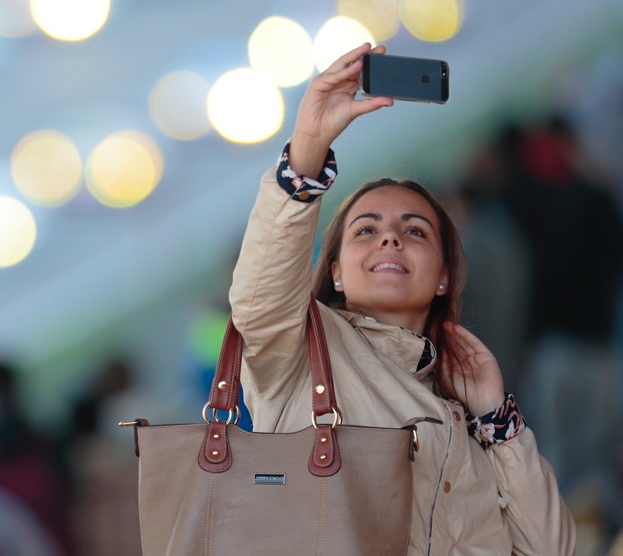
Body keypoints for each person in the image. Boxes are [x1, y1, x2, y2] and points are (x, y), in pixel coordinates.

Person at [228, 42, 576, 553]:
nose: (389, 239)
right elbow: (259, 298)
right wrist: (307, 146)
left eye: (415, 232)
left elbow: (551, 549)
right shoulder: (299, 353)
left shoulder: (464, 415)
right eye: (365, 231)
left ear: (442, 276)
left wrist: (497, 420)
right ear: (336, 273)